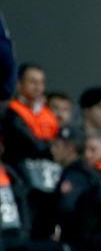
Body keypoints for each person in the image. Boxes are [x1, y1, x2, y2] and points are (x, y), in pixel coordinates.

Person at [2, 64, 61, 240]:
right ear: (19, 84)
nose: (38, 87)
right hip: (23, 180)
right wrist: (49, 147)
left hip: (48, 182)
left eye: (41, 83)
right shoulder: (10, 112)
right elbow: (28, 143)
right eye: (32, 82)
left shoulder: (47, 114)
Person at [51, 126, 101, 251]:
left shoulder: (75, 175)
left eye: (56, 145)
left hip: (83, 249)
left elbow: (66, 208)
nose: (52, 150)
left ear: (70, 149)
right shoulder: (94, 173)